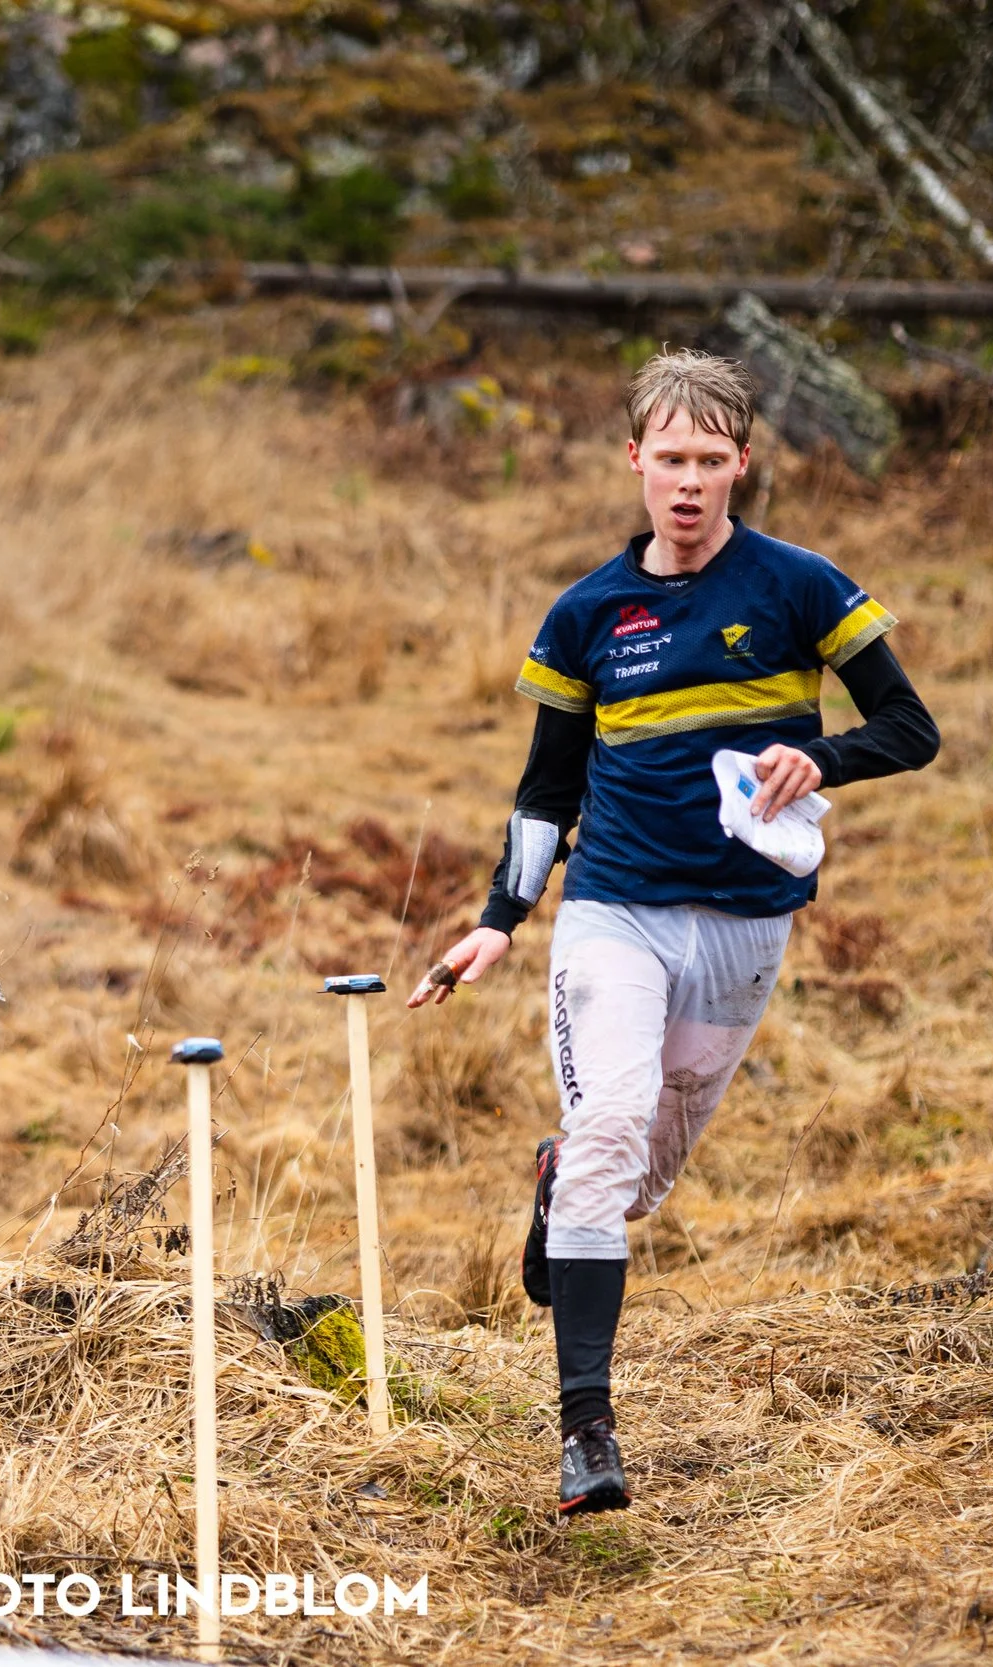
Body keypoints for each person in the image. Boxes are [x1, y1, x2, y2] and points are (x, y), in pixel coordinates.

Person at [405, 348, 939, 1515]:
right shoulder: (587, 613)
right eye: (669, 458)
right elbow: (545, 792)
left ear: (741, 463)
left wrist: (825, 756)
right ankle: (584, 1436)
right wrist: (500, 919)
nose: (688, 483)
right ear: (633, 459)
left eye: (711, 460)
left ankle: (560, 1184)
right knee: (609, 1124)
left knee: (630, 1180)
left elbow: (911, 726)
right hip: (615, 912)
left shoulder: (799, 585)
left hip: (745, 928)